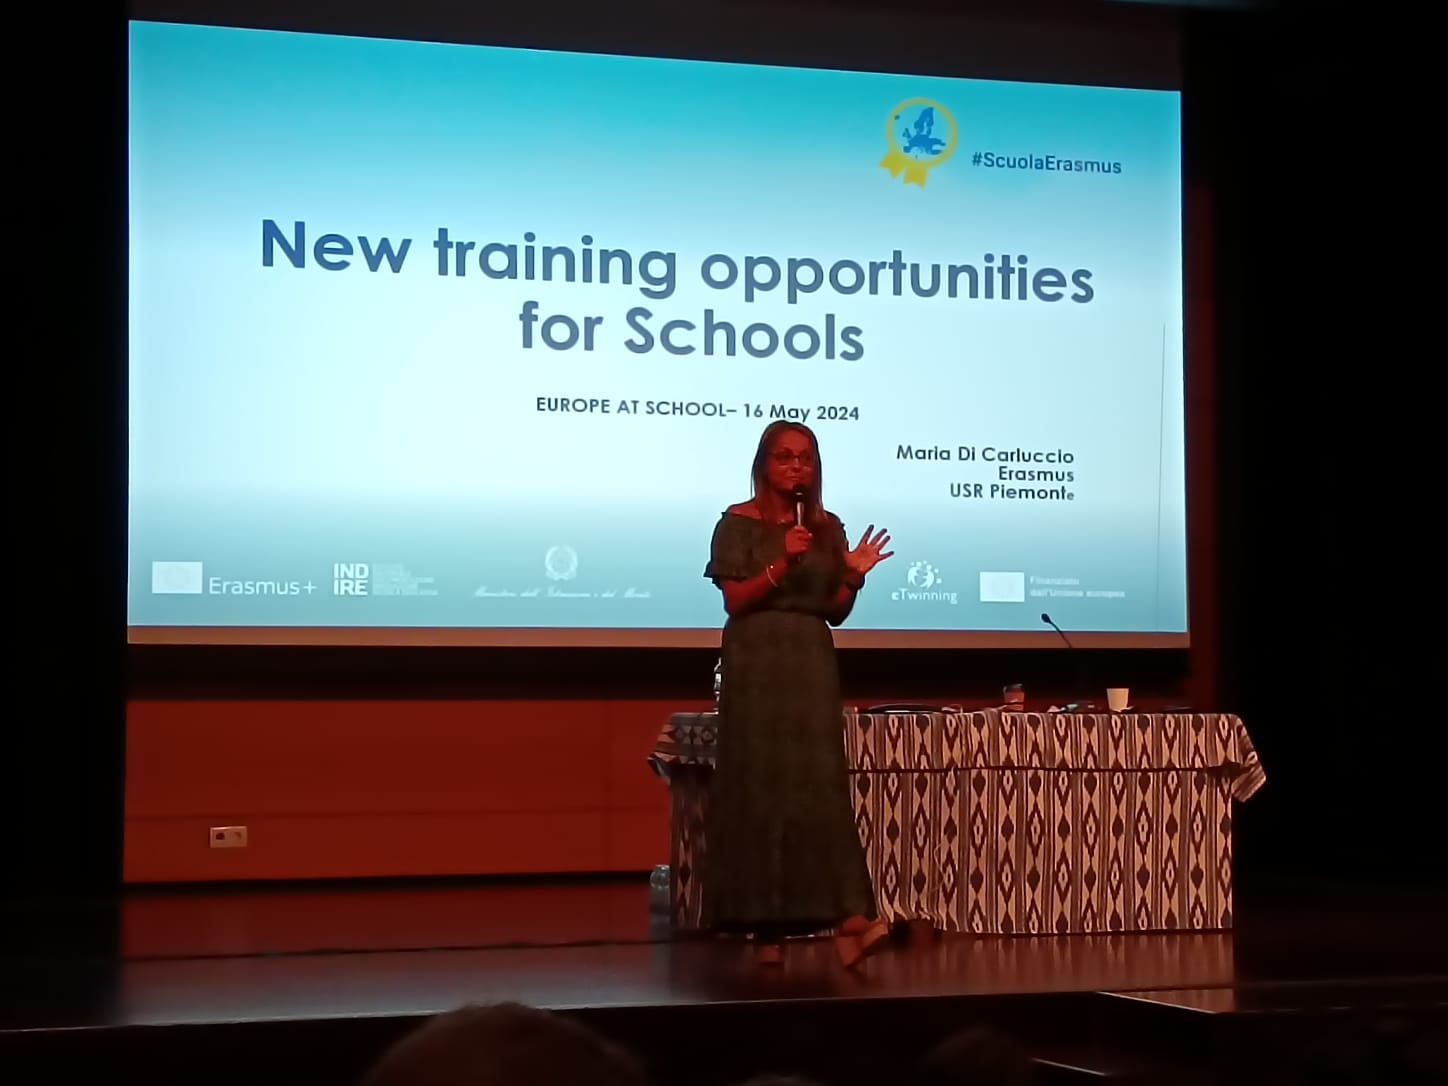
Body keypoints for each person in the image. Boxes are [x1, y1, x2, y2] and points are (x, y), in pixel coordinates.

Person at [702, 420, 895, 968]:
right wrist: (781, 561)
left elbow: (833, 611)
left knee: (817, 787)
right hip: (757, 660)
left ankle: (844, 917)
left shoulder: (827, 527)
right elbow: (736, 600)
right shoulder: (736, 523)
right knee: (762, 787)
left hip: (809, 659)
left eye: (805, 458)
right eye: (785, 457)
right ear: (764, 464)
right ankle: (767, 929)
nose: (796, 467)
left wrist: (852, 576)